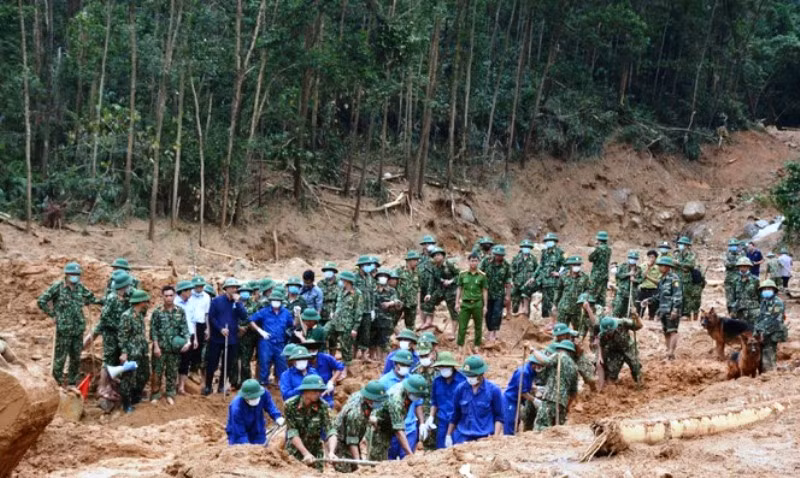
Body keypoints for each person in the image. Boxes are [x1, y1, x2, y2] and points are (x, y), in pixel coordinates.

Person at [38, 262, 102, 386]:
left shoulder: (80, 288)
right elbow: (41, 301)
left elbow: (92, 298)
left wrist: (102, 301)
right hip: (64, 330)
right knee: (60, 359)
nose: (75, 277)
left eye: (77, 274)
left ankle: (72, 383)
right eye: (73, 274)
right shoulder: (57, 287)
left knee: (76, 358)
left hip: (78, 329)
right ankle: (57, 384)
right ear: (66, 274)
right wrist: (53, 315)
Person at [445, 355, 503, 446]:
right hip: (462, 437)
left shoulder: (494, 390)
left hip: (484, 437)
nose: (470, 378)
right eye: (468, 375)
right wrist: (448, 435)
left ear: (481, 374)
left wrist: (495, 438)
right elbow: (455, 415)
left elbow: (499, 417)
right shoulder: (460, 389)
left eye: (473, 375)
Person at [368, 374, 428, 461]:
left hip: (389, 426)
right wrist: (411, 455)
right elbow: (399, 431)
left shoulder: (407, 392)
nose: (417, 397)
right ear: (409, 390)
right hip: (378, 428)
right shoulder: (396, 400)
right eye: (416, 394)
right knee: (379, 461)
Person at [332, 380, 388, 472]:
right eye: (378, 401)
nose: (380, 403)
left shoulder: (361, 396)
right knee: (346, 471)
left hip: (351, 434)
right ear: (370, 399)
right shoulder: (355, 414)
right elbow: (352, 441)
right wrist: (359, 464)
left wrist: (368, 419)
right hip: (340, 442)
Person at [284, 374, 337, 469]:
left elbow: (331, 430)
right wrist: (305, 453)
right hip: (295, 451)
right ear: (305, 390)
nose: (318, 393)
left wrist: (331, 452)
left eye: (320, 391)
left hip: (315, 451)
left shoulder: (323, 406)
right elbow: (292, 432)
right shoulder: (290, 405)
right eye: (315, 390)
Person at [204, 278, 247, 395]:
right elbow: (212, 317)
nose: (234, 289)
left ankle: (222, 386)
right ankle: (208, 386)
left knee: (228, 363)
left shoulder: (238, 303)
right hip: (217, 338)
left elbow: (244, 316)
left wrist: (238, 303)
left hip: (232, 339)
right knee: (212, 362)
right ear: (226, 289)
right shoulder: (217, 301)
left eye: (236, 288)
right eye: (232, 287)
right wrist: (220, 329)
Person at [149, 285, 191, 404]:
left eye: (171, 295)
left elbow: (184, 329)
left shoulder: (180, 311)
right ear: (162, 296)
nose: (169, 298)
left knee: (172, 372)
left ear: (175, 296)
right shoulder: (157, 312)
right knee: (157, 372)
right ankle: (155, 394)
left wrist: (188, 342)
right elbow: (153, 331)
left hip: (174, 349)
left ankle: (170, 394)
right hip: (160, 348)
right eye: (166, 296)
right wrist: (156, 347)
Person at [84, 271, 132, 367]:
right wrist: (117, 326)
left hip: (117, 330)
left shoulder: (125, 294)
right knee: (93, 337)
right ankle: (80, 351)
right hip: (109, 329)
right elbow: (104, 317)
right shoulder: (112, 296)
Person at [530, 341, 579, 430]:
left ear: (560, 349)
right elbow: (573, 393)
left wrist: (533, 351)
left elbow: (545, 361)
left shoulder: (559, 356)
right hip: (562, 404)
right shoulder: (575, 367)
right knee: (556, 430)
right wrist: (567, 407)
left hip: (550, 399)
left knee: (540, 426)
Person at [249, 290, 294, 385]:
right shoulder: (264, 311)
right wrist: (260, 331)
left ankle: (282, 384)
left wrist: (297, 316)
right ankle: (263, 384)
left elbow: (293, 324)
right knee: (264, 363)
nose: (275, 302)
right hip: (266, 342)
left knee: (281, 364)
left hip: (280, 342)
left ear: (281, 301)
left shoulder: (286, 313)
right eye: (274, 300)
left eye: (278, 300)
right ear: (270, 301)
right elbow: (251, 320)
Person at [117, 289, 152, 412]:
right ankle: (126, 404)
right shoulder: (126, 316)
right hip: (131, 352)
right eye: (146, 301)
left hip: (141, 351)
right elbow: (122, 336)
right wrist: (124, 352)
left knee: (144, 375)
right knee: (128, 378)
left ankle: (136, 397)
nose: (147, 303)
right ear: (141, 302)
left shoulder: (140, 314)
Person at [643, 257, 682, 360]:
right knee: (666, 331)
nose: (659, 268)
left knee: (673, 331)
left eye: (661, 266)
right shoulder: (662, 279)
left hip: (671, 309)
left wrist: (675, 309)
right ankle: (668, 352)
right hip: (663, 309)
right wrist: (649, 300)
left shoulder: (674, 279)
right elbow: (659, 295)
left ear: (666, 267)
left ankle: (671, 352)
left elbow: (678, 295)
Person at [326, 270, 363, 376]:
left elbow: (359, 312)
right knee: (325, 334)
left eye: (342, 280)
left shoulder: (357, 294)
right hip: (335, 322)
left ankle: (345, 369)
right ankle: (330, 364)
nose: (341, 281)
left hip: (347, 325)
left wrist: (355, 328)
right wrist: (332, 312)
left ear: (347, 281)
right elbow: (335, 303)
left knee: (345, 347)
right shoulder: (340, 290)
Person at [226, 379, 284, 445]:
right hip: (237, 430)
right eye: (252, 398)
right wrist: (246, 446)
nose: (255, 400)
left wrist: (277, 417)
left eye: (256, 397)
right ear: (245, 397)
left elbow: (269, 405)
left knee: (261, 447)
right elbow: (240, 434)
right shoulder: (236, 408)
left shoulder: (263, 393)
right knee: (241, 448)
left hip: (257, 427)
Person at [428, 351, 466, 449]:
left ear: (452, 366)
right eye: (442, 366)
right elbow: (434, 402)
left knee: (458, 450)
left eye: (446, 366)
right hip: (442, 422)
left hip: (458, 423)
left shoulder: (463, 381)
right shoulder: (437, 382)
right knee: (441, 450)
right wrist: (431, 417)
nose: (444, 368)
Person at [421, 246, 460, 336]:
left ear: (443, 256)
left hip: (451, 290)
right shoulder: (434, 268)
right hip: (441, 290)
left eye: (438, 255)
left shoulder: (449, 264)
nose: (436, 257)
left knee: (453, 311)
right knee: (429, 301)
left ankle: (453, 332)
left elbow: (460, 275)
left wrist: (451, 281)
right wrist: (429, 293)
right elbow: (431, 281)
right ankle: (428, 322)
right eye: (434, 256)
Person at [455, 253, 488, 356]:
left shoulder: (482, 275)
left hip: (477, 303)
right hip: (465, 303)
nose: (473, 263)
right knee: (462, 326)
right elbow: (459, 288)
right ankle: (460, 346)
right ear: (468, 262)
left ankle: (477, 346)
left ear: (478, 262)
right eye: (472, 261)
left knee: (478, 326)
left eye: (475, 261)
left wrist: (485, 306)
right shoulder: (462, 274)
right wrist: (457, 302)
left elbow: (485, 291)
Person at [595, 314, 643, 384]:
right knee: (611, 374)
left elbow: (639, 326)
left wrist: (637, 317)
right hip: (615, 352)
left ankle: (638, 380)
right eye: (607, 332)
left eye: (611, 331)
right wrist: (600, 357)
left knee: (636, 367)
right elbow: (601, 345)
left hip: (628, 348)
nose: (609, 333)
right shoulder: (602, 334)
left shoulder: (623, 322)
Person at [754, 280, 788, 372]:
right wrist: (756, 331)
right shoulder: (764, 302)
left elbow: (775, 320)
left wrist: (764, 333)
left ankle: (770, 373)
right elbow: (760, 317)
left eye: (769, 288)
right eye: (764, 289)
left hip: (773, 332)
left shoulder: (777, 303)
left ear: (774, 290)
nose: (766, 290)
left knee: (769, 354)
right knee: (761, 355)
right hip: (763, 332)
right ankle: (764, 373)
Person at [304, 328, 343, 408]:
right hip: (310, 394)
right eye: (309, 349)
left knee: (329, 406)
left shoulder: (326, 358)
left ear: (317, 349)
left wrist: (331, 381)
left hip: (326, 393)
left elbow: (339, 367)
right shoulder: (303, 363)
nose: (311, 351)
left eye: (313, 349)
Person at [480, 245, 512, 343]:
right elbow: (479, 273)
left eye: (500, 255)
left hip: (499, 293)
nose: (498, 257)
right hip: (487, 292)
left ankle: (493, 332)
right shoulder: (486, 261)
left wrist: (508, 296)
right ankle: (489, 330)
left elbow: (508, 281)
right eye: (497, 255)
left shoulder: (506, 265)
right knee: (488, 313)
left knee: (497, 313)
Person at [502, 353, 538, 435]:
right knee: (510, 421)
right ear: (534, 365)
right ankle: (508, 437)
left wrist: (536, 388)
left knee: (517, 420)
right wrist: (534, 400)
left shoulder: (530, 371)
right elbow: (523, 392)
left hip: (518, 401)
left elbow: (526, 384)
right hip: (511, 400)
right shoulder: (523, 372)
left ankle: (514, 436)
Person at [554, 256, 591, 334]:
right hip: (564, 309)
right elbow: (558, 290)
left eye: (578, 264)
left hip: (577, 310)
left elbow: (588, 289)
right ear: (570, 265)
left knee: (577, 332)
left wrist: (585, 298)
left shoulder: (585, 277)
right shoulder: (563, 276)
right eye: (574, 264)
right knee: (561, 331)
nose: (576, 266)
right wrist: (555, 304)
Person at [373, 268, 402, 362]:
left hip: (387, 320)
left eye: (385, 276)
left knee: (386, 342)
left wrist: (390, 303)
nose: (383, 278)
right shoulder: (373, 291)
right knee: (377, 340)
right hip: (375, 320)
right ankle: (378, 359)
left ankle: (386, 360)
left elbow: (398, 303)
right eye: (381, 276)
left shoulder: (391, 291)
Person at [186, 276, 211, 377]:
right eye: (197, 286)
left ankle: (194, 370)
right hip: (189, 324)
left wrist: (207, 328)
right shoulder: (189, 296)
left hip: (201, 324)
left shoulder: (206, 297)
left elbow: (206, 314)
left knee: (199, 347)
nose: (199, 288)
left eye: (201, 286)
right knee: (189, 346)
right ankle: (186, 370)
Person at [536, 233, 565, 320]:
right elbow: (541, 266)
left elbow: (566, 266)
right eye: (547, 241)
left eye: (550, 241)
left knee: (554, 304)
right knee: (545, 304)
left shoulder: (560, 253)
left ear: (555, 242)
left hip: (555, 283)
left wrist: (559, 273)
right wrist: (534, 277)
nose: (548, 242)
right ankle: (545, 322)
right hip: (545, 283)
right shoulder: (544, 253)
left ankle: (555, 322)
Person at [353, 256, 376, 360]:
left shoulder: (369, 278)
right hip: (357, 309)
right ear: (361, 266)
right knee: (355, 332)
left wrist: (372, 309)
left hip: (367, 309)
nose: (368, 267)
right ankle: (353, 354)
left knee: (366, 333)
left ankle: (363, 355)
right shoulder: (355, 278)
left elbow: (372, 294)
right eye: (366, 265)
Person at [173, 280, 194, 394]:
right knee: (174, 361)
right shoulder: (174, 303)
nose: (191, 293)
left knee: (186, 362)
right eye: (189, 290)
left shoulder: (191, 303)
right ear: (183, 292)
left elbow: (193, 321)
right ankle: (172, 386)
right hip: (177, 336)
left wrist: (194, 338)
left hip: (189, 336)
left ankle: (181, 387)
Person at [237, 282, 261, 382]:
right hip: (235, 336)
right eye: (243, 291)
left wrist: (245, 328)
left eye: (247, 291)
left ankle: (246, 382)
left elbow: (255, 319)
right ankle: (234, 382)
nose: (245, 293)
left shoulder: (255, 306)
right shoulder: (234, 304)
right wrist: (238, 328)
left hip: (249, 338)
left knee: (245, 362)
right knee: (234, 361)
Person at [612, 250, 643, 318]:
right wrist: (628, 274)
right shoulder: (623, 266)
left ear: (636, 259)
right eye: (631, 258)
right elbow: (618, 275)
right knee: (618, 308)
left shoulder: (638, 269)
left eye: (634, 258)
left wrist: (635, 280)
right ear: (628, 258)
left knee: (628, 311)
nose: (633, 260)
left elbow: (641, 280)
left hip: (632, 293)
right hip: (622, 292)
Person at [511, 239, 538, 316]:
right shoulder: (516, 258)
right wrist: (512, 281)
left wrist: (533, 280)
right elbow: (511, 270)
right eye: (525, 247)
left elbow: (536, 271)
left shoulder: (533, 259)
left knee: (526, 305)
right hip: (517, 284)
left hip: (527, 285)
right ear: (522, 248)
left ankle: (525, 320)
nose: (526, 248)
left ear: (530, 248)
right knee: (515, 304)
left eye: (528, 247)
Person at [731, 257, 760, 325]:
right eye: (740, 266)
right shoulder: (735, 280)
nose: (742, 268)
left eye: (745, 266)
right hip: (739, 310)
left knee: (754, 329)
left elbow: (760, 296)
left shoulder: (755, 280)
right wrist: (733, 310)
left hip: (753, 310)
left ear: (749, 267)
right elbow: (733, 297)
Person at [397, 250, 421, 330]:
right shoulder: (399, 271)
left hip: (412, 303)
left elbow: (418, 289)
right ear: (408, 261)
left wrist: (418, 304)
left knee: (410, 326)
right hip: (401, 302)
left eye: (417, 260)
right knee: (393, 322)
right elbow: (394, 285)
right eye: (415, 260)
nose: (417, 262)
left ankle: (409, 337)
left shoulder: (417, 272)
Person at [588, 231, 612, 306]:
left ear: (598, 239)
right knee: (602, 295)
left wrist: (595, 247)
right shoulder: (609, 249)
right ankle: (601, 310)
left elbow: (590, 258)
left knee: (592, 295)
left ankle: (591, 310)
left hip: (596, 276)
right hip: (605, 275)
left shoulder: (598, 249)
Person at [637, 250, 660, 319]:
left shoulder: (658, 268)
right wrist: (648, 267)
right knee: (639, 311)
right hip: (643, 289)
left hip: (653, 290)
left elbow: (659, 282)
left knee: (652, 311)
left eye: (653, 257)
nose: (651, 259)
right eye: (649, 257)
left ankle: (651, 319)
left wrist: (648, 277)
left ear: (655, 258)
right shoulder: (641, 266)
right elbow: (640, 278)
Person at [724, 239, 743, 313]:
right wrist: (737, 263)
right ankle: (731, 313)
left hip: (739, 279)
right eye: (731, 245)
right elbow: (727, 264)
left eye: (734, 245)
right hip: (729, 280)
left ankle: (738, 313)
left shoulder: (741, 254)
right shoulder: (726, 254)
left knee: (739, 297)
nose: (733, 247)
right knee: (729, 298)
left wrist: (733, 263)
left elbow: (743, 264)